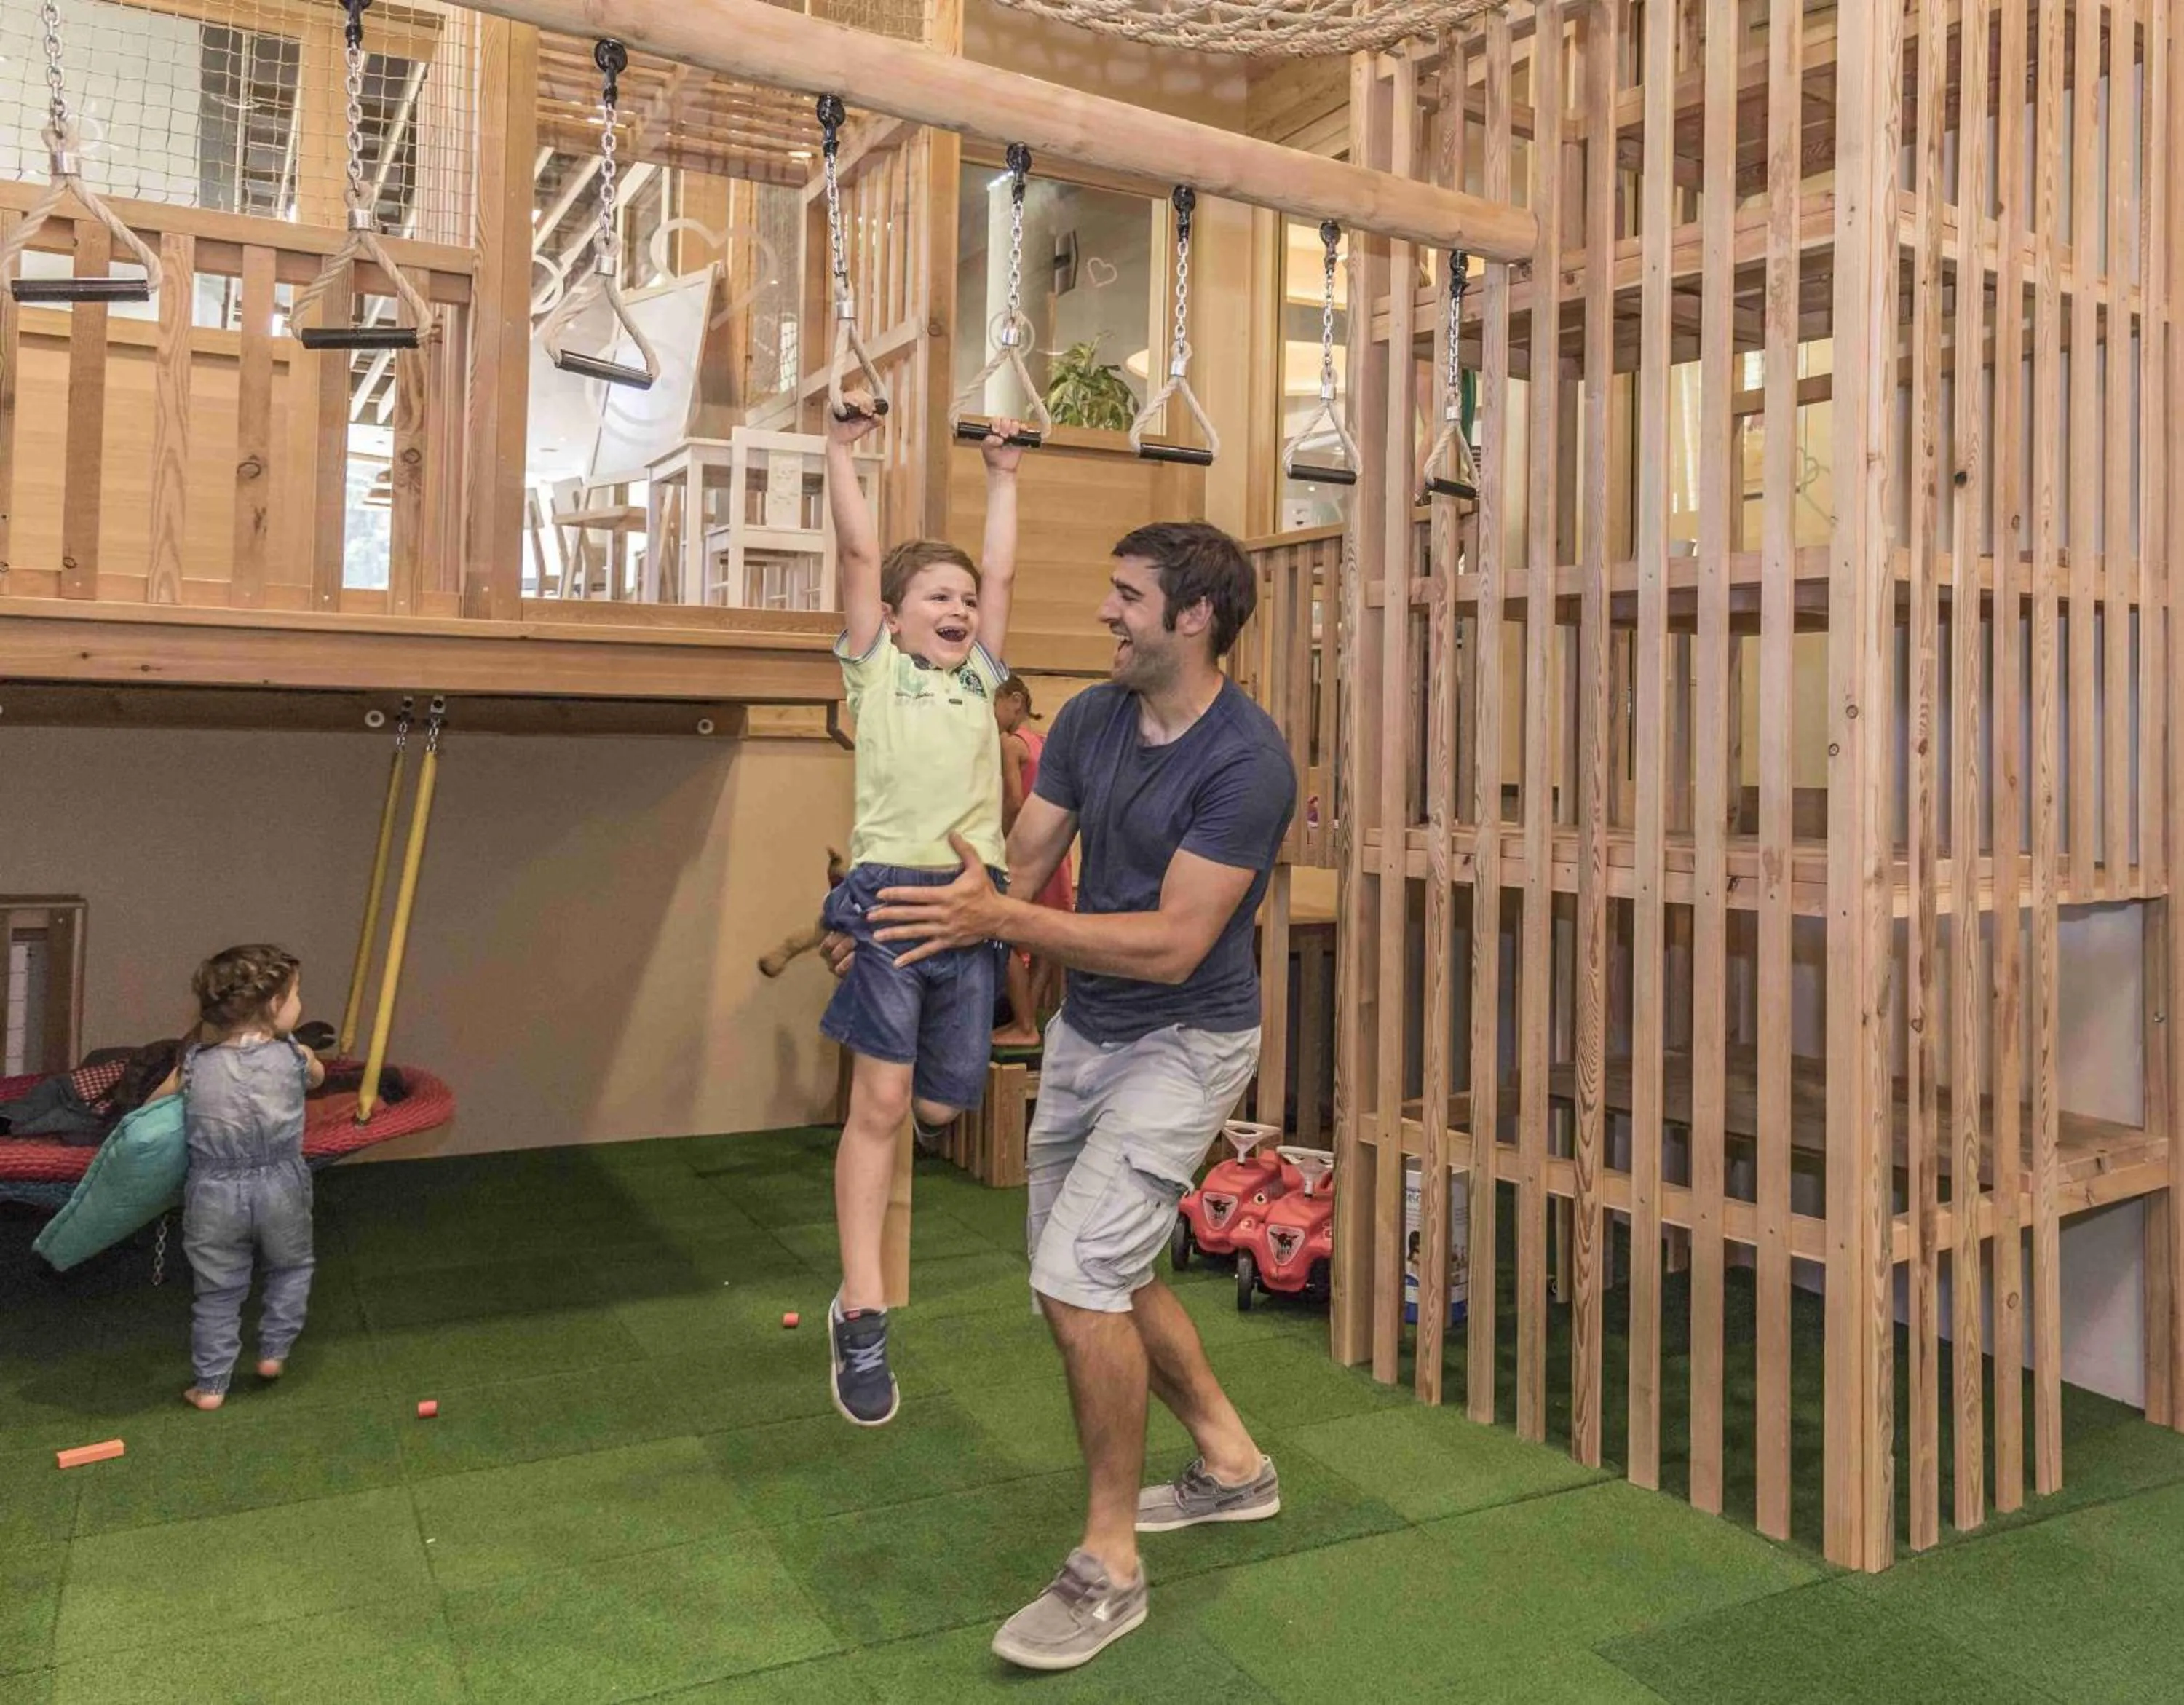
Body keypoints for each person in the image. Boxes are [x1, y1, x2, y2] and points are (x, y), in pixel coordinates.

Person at [842, 521, 1297, 1671]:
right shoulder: (1091, 721)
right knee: (1095, 1265)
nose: (1105, 612)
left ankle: (1109, 1566)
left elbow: (1179, 943)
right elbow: (1015, 870)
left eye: (1127, 597)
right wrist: (898, 927)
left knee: (1080, 1271)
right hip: (1090, 1030)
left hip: (1188, 1037)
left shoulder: (1248, 760)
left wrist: (999, 921)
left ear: (1192, 619)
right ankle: (1234, 1465)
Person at [818, 396, 1028, 1428]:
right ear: (895, 618)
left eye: (962, 599)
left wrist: (1003, 477)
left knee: (944, 1106)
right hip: (893, 906)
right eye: (935, 597)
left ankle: (916, 1119)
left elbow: (1004, 577)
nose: (957, 608)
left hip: (971, 907)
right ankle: (861, 1311)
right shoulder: (880, 674)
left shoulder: (981, 679)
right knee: (883, 1107)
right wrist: (842, 452)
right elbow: (860, 558)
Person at [175, 945, 325, 1412]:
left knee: (217, 1291)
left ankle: (211, 1385)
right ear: (276, 1005)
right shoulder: (295, 1055)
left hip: (213, 1191)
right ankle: (274, 1353)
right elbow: (318, 1077)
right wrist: (304, 1054)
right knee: (291, 1267)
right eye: (297, 995)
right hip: (281, 1182)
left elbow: (151, 1109)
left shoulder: (196, 1064)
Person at [991, 674, 1072, 1047]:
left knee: (1000, 932)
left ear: (1016, 701)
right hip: (1056, 852)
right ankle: (1029, 1020)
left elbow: (1014, 802)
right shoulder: (1045, 742)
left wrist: (1002, 844)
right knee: (1045, 939)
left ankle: (1024, 1023)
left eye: (993, 705)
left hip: (1025, 851)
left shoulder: (1011, 743)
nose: (989, 717)